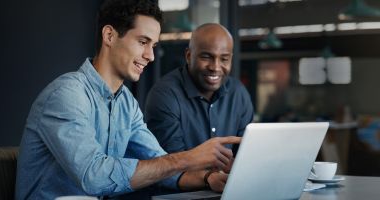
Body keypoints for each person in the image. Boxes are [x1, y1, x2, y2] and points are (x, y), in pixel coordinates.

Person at [15, 1, 241, 199]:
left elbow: (159, 164)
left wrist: (209, 178)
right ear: (109, 36)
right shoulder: (66, 95)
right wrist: (188, 158)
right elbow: (94, 177)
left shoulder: (126, 104)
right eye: (143, 42)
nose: (150, 56)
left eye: (153, 46)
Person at [145, 23, 254, 192]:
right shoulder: (165, 95)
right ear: (189, 56)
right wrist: (209, 177)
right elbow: (169, 166)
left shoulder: (238, 93)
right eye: (206, 57)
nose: (215, 67)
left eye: (224, 59)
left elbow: (247, 156)